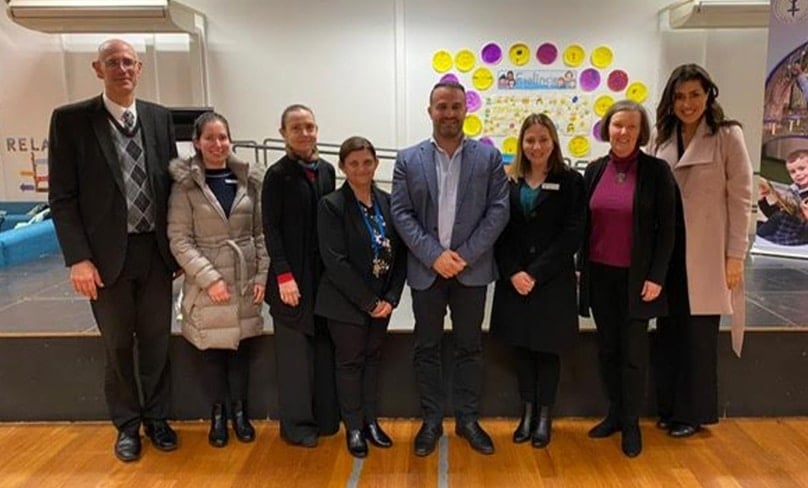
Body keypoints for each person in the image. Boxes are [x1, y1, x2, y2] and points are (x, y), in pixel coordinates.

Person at [48, 39, 179, 462]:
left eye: (128, 62)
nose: (121, 69)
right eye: (112, 63)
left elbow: (172, 186)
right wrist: (77, 258)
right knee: (118, 344)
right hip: (105, 260)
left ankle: (158, 418)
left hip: (156, 253)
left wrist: (177, 249)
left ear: (139, 68)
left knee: (158, 342)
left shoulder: (159, 119)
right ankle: (127, 426)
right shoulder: (71, 121)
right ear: (97, 69)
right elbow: (63, 198)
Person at [391, 81, 509, 456]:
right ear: (430, 111)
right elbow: (401, 213)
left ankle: (468, 420)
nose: (449, 114)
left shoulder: (488, 159)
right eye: (442, 106)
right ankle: (430, 421)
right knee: (426, 348)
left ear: (466, 110)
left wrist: (464, 256)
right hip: (427, 272)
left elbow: (498, 210)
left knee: (469, 348)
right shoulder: (408, 159)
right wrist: (434, 256)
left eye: (456, 106)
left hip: (471, 272)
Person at [651, 64, 753, 438]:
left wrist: (735, 256)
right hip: (668, 252)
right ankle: (669, 407)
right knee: (669, 333)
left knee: (697, 338)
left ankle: (692, 414)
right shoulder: (662, 136)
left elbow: (742, 199)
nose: (687, 103)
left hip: (707, 255)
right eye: (679, 96)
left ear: (709, 94)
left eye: (695, 94)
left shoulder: (727, 136)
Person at [578, 100, 676, 458]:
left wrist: (657, 275)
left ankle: (632, 424)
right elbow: (585, 227)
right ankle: (615, 414)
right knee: (608, 350)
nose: (623, 132)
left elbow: (668, 230)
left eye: (631, 127)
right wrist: (579, 268)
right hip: (600, 275)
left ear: (641, 132)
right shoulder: (593, 171)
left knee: (633, 353)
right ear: (607, 128)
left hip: (638, 280)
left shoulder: (656, 172)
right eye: (618, 125)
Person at [167, 112, 269, 448]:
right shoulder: (185, 186)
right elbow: (179, 239)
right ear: (196, 142)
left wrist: (261, 275)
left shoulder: (249, 180)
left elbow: (260, 233)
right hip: (207, 282)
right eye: (209, 138)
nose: (217, 144)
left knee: (241, 350)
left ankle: (240, 413)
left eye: (223, 137)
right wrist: (210, 279)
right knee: (212, 352)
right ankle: (217, 414)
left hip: (243, 279)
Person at [490, 114, 585, 449]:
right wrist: (514, 271)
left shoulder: (571, 181)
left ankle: (544, 417)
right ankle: (527, 413)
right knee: (523, 351)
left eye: (543, 139)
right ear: (521, 144)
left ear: (553, 142)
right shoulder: (508, 181)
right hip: (514, 281)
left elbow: (572, 234)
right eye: (530, 140)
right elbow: (498, 230)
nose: (536, 146)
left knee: (547, 352)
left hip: (550, 283)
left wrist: (536, 272)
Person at [315, 136, 407, 458]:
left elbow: (400, 256)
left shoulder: (388, 202)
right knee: (351, 364)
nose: (361, 168)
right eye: (353, 163)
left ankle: (370, 422)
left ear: (376, 164)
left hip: (382, 303)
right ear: (342, 167)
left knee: (372, 362)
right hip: (345, 303)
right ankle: (353, 426)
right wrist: (369, 303)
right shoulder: (331, 206)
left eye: (367, 162)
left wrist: (391, 298)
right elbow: (335, 262)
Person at [262, 104, 340, 447]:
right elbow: (271, 229)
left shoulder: (325, 170)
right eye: (296, 128)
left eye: (309, 126)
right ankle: (296, 426)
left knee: (322, 351)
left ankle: (324, 418)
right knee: (295, 357)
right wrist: (283, 275)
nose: (304, 133)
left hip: (322, 279)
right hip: (290, 280)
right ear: (283, 134)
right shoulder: (277, 176)